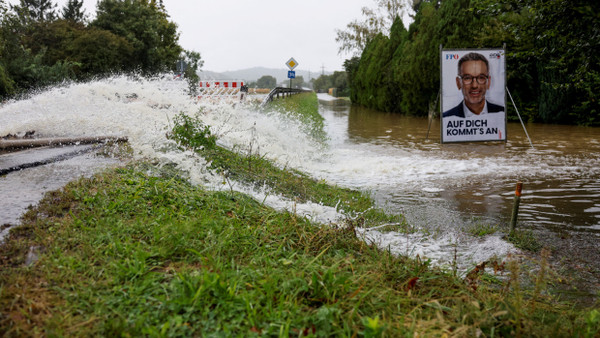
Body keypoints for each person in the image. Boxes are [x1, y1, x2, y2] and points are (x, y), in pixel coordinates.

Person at [443, 52, 504, 118]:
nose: (474, 85)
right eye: (467, 78)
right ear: (458, 83)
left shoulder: (502, 114)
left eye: (481, 77)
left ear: (488, 82)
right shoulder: (446, 118)